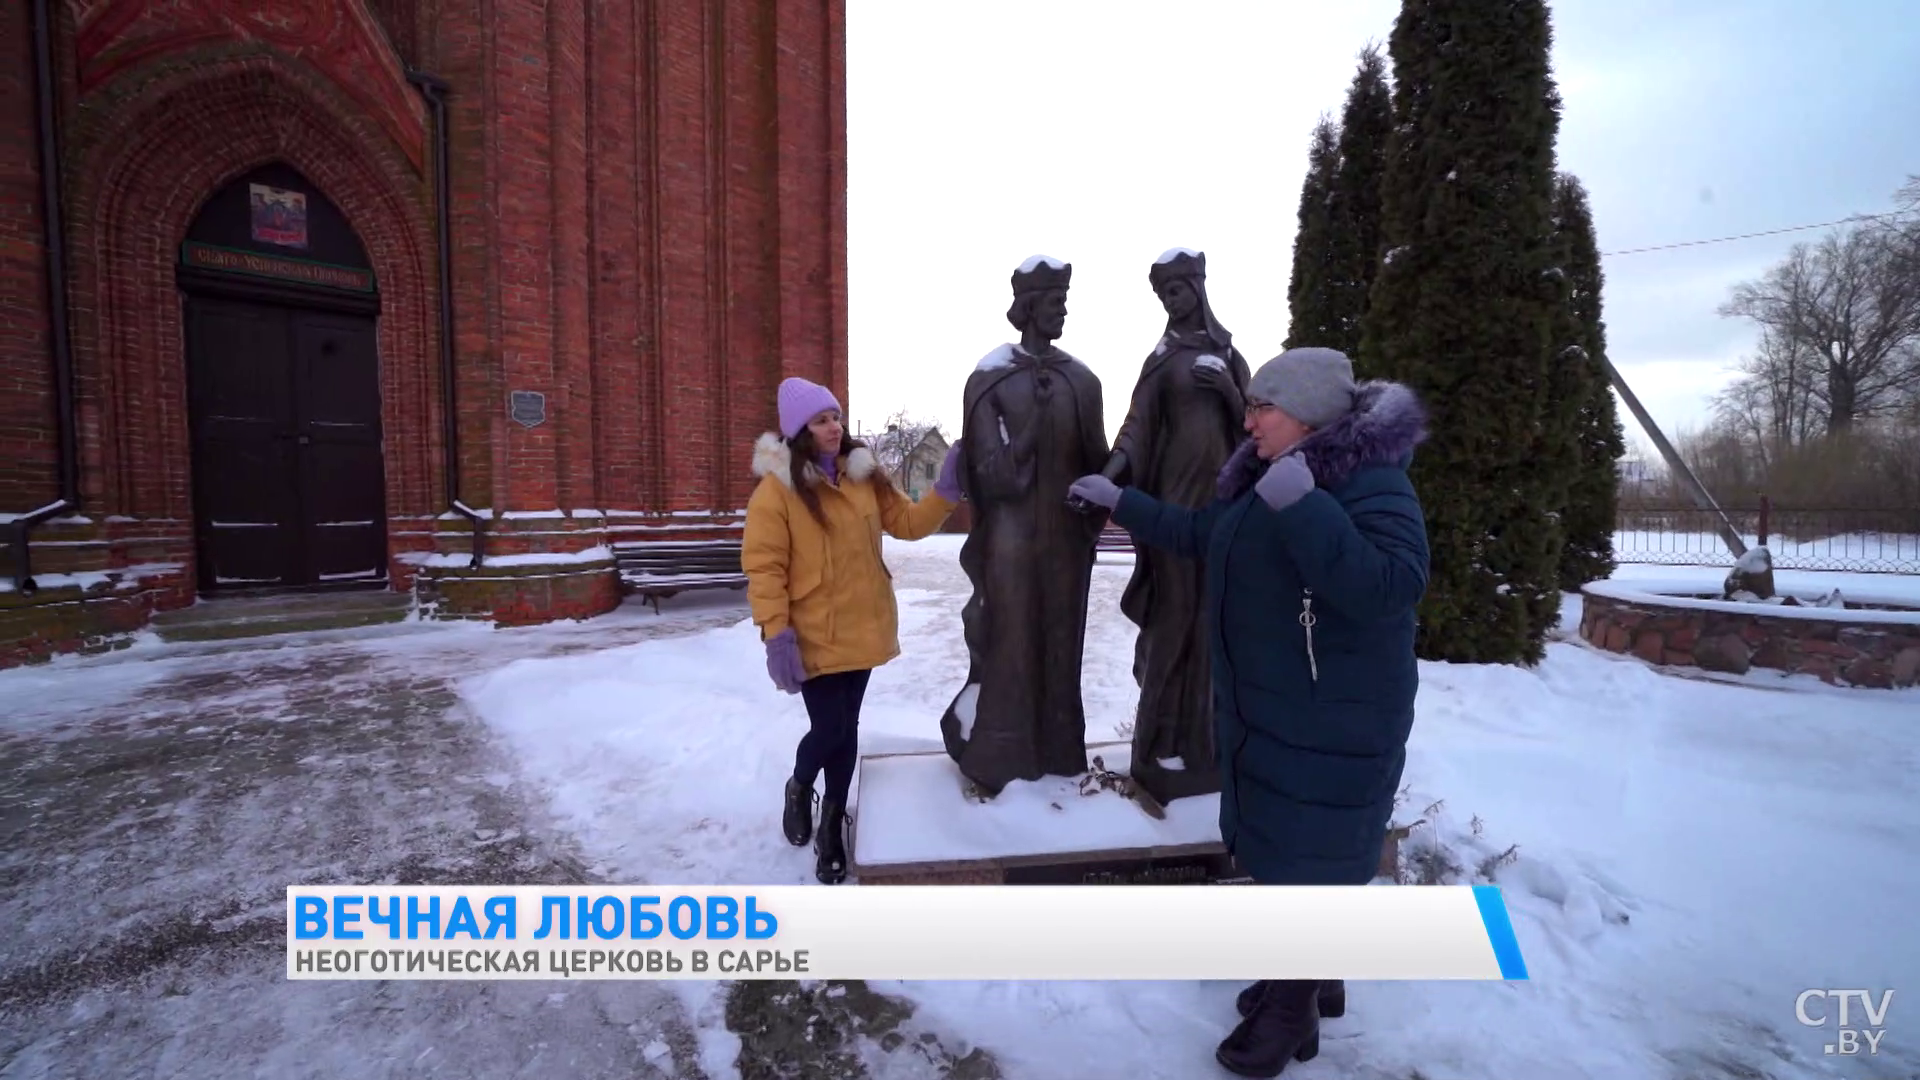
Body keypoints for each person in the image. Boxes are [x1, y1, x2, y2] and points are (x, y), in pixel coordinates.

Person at [1068, 346, 1430, 1078]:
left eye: (1264, 406)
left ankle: (1291, 1006)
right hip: (1275, 707)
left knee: (1310, 857)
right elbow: (1206, 538)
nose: (1248, 418)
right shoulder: (1264, 477)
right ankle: (1307, 979)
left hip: (1335, 715)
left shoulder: (1372, 484)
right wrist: (1123, 505)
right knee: (1288, 851)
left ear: (1309, 415)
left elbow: (1390, 585)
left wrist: (1307, 507)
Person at [742, 377, 964, 884]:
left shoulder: (864, 476)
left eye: (836, 415)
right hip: (813, 632)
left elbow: (907, 523)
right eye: (821, 419)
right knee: (831, 729)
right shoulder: (778, 491)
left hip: (862, 624)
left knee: (848, 729)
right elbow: (765, 567)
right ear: (799, 429)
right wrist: (777, 636)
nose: (834, 426)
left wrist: (946, 489)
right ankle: (800, 786)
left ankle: (831, 825)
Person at [938, 255, 1110, 796]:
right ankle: (1001, 752)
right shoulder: (990, 379)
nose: (1064, 313)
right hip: (1009, 540)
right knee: (1010, 643)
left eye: (1066, 302)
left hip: (1064, 539)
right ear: (1031, 307)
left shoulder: (1082, 380)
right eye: (1057, 303)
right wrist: (1031, 430)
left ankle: (1060, 751)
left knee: (1062, 642)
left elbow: (1097, 461)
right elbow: (992, 476)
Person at [1098, 248, 1251, 806]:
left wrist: (1231, 395)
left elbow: (1255, 430)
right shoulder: (1162, 359)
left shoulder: (1229, 354)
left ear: (1198, 289)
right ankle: (1156, 737)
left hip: (1222, 503)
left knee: (1212, 620)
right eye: (1165, 295)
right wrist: (1111, 475)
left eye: (1178, 291)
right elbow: (1137, 426)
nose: (1172, 301)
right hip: (1170, 503)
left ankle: (1204, 742)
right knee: (1175, 616)